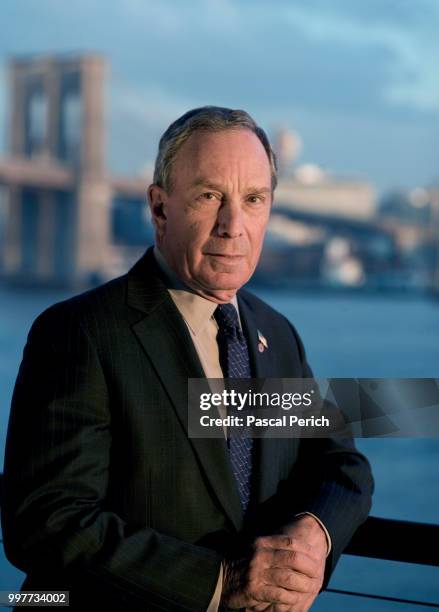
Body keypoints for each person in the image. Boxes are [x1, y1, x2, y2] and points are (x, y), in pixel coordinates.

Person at [1, 106, 373, 611]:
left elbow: (341, 462)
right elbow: (46, 521)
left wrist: (315, 535)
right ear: (159, 208)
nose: (232, 225)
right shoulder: (79, 332)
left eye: (253, 199)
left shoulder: (275, 335)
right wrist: (220, 583)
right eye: (209, 196)